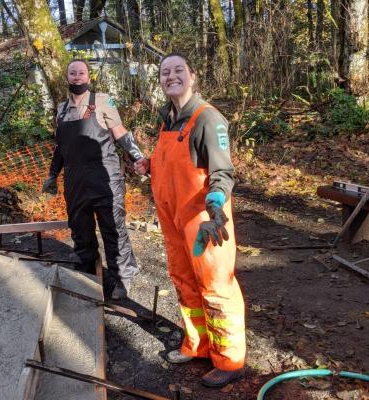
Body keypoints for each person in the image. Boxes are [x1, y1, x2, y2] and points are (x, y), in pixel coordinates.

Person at [134, 53, 246, 387]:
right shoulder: (167, 119)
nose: (171, 77)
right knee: (183, 280)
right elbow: (171, 164)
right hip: (173, 218)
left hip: (205, 220)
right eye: (165, 73)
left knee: (215, 285)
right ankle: (197, 345)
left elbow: (222, 170)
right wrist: (149, 165)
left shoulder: (208, 119)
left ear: (192, 76)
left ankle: (229, 360)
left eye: (178, 71)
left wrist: (216, 201)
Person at [42, 59, 145, 300]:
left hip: (105, 177)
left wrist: (139, 157)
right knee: (80, 228)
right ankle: (89, 270)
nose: (77, 77)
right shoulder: (61, 110)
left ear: (88, 77)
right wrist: (52, 175)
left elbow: (120, 133)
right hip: (75, 181)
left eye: (81, 72)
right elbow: (60, 148)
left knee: (113, 228)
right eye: (72, 73)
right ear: (67, 78)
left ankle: (123, 276)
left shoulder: (102, 101)